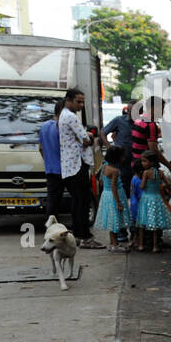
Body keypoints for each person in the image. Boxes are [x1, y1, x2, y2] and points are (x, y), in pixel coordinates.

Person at [58, 88, 103, 248]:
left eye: (83, 102)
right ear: (68, 100)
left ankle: (78, 236)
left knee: (78, 202)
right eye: (78, 101)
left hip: (70, 166)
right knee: (82, 202)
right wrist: (89, 136)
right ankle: (85, 237)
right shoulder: (71, 117)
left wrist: (86, 136)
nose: (81, 105)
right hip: (77, 165)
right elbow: (85, 140)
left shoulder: (64, 115)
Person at [134, 150, 171, 253]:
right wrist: (162, 186)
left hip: (146, 199)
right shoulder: (160, 173)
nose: (142, 163)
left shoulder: (146, 173)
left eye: (144, 161)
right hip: (157, 198)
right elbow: (169, 183)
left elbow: (142, 186)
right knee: (155, 223)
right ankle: (155, 246)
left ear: (151, 162)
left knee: (142, 222)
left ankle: (141, 245)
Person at [93, 146, 131, 252]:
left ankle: (113, 243)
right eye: (122, 156)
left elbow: (98, 178)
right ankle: (115, 244)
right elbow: (114, 186)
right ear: (117, 158)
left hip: (106, 195)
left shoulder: (104, 166)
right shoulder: (115, 171)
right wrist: (118, 202)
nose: (124, 158)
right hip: (114, 196)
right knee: (115, 220)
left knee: (111, 219)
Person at [130, 98, 171, 177]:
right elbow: (154, 151)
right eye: (162, 109)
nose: (163, 112)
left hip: (135, 164)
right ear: (154, 108)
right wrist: (170, 167)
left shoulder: (138, 120)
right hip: (145, 167)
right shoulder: (150, 125)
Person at [38, 99, 64, 220]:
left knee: (52, 201)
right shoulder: (61, 127)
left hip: (50, 170)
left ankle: (50, 226)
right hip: (64, 170)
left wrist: (48, 160)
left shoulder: (44, 126)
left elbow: (41, 148)